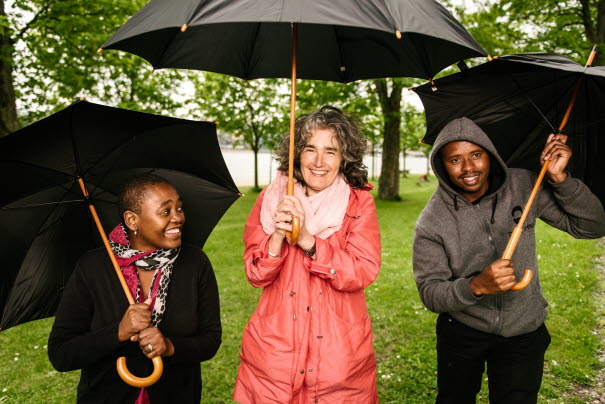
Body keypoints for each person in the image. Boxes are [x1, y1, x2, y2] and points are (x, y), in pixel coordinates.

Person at [412, 117, 605, 404]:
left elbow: (592, 226)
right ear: (441, 165)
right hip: (463, 330)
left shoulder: (524, 184)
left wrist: (559, 179)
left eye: (476, 155)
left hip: (523, 328)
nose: (468, 168)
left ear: (489, 154)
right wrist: (475, 286)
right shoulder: (432, 221)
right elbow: (430, 293)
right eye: (455, 159)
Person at [232, 106, 381, 403]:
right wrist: (277, 235)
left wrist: (308, 241)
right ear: (296, 153)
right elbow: (255, 274)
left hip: (339, 360)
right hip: (274, 355)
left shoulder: (358, 202)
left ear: (344, 157)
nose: (318, 162)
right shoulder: (272, 198)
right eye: (310, 149)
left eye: (330, 151)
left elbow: (363, 270)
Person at [48, 174, 221, 404]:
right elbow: (61, 354)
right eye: (165, 211)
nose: (178, 218)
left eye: (179, 208)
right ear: (132, 220)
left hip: (177, 394)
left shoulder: (195, 263)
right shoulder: (93, 267)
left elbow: (210, 339)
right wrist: (118, 332)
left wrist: (170, 347)